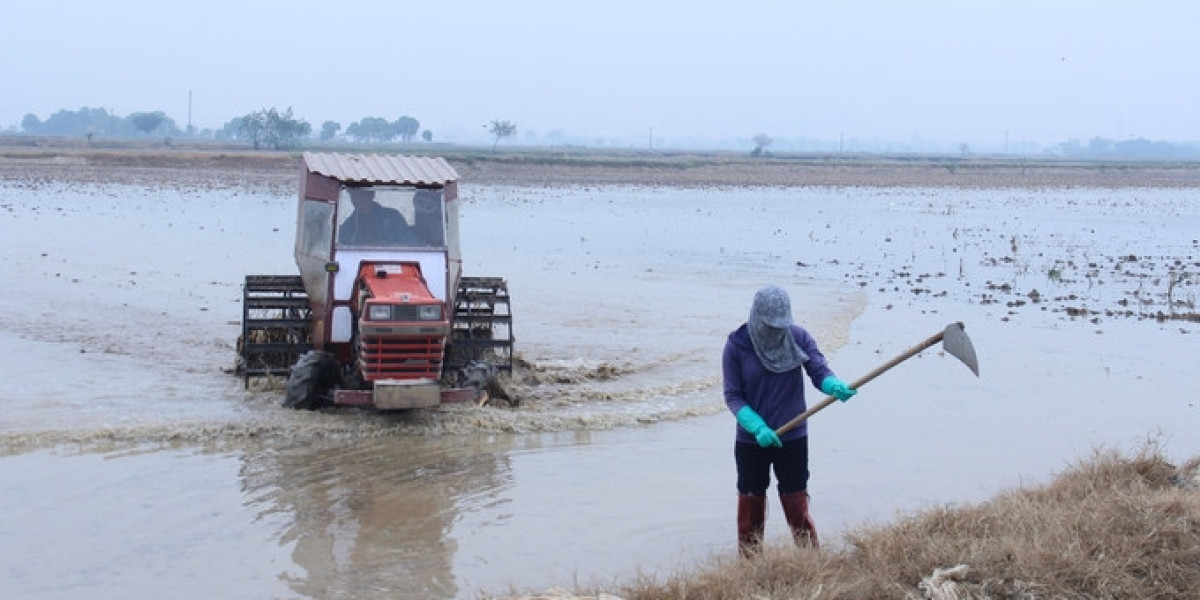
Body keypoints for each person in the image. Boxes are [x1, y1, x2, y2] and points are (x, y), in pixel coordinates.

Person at [722, 285, 857, 555]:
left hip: (793, 436)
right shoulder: (736, 347)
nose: (776, 331)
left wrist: (832, 385)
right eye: (770, 326)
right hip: (752, 440)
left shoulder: (798, 338)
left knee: (796, 503)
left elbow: (818, 370)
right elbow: (733, 396)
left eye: (781, 326)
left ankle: (809, 560)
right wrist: (756, 426)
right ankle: (751, 565)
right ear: (757, 318)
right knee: (751, 503)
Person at [338, 188, 412, 246]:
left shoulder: (393, 217)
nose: (359, 200)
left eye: (362, 195)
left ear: (372, 194)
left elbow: (411, 244)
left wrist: (388, 245)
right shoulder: (348, 227)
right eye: (354, 196)